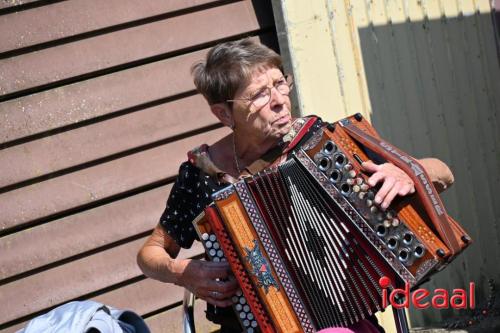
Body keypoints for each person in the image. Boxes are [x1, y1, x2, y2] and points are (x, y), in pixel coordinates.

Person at [136, 38, 455, 333]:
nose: (279, 101)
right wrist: (182, 273)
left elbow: (443, 173)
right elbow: (150, 253)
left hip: (341, 317)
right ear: (223, 113)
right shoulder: (203, 174)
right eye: (260, 94)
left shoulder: (324, 145)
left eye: (280, 84)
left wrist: (409, 174)